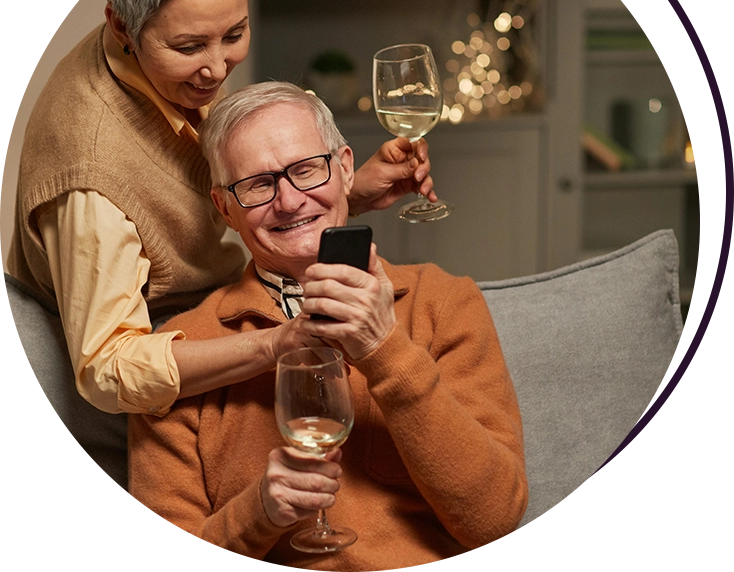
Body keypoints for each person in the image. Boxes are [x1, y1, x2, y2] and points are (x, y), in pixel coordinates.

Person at [6, 0, 435, 418]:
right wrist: (278, 343)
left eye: (233, 35)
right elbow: (107, 372)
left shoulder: (159, 52)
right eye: (189, 47)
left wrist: (348, 192)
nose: (215, 69)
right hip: (143, 388)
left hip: (215, 314)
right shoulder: (90, 176)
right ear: (121, 25)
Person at [128, 82, 528, 571]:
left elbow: (494, 519)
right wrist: (258, 514)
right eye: (257, 184)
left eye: (305, 169)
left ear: (343, 169)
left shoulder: (443, 302)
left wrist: (384, 349)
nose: (290, 201)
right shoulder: (182, 357)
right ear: (224, 207)